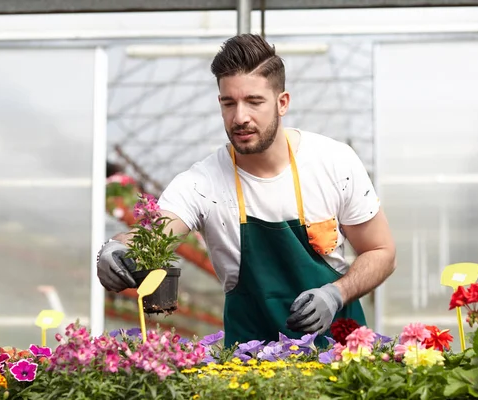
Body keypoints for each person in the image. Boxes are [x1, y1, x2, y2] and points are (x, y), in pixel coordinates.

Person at [97, 34, 396, 348]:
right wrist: (116, 249)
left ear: (282, 103)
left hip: (338, 358)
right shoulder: (202, 183)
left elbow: (381, 252)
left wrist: (336, 293)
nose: (240, 117)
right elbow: (157, 232)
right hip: (248, 369)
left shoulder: (333, 163)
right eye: (229, 103)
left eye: (254, 102)